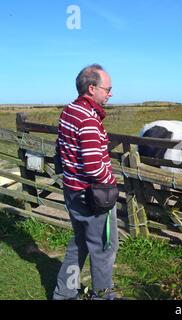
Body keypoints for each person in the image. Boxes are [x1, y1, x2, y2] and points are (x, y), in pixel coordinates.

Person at [53, 64, 119, 300]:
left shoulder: (69, 111)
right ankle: (103, 297)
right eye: (108, 89)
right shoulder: (89, 120)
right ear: (92, 88)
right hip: (92, 197)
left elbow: (60, 150)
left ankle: (64, 293)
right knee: (104, 249)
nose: (110, 93)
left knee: (79, 243)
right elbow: (94, 168)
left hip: (72, 191)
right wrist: (112, 182)